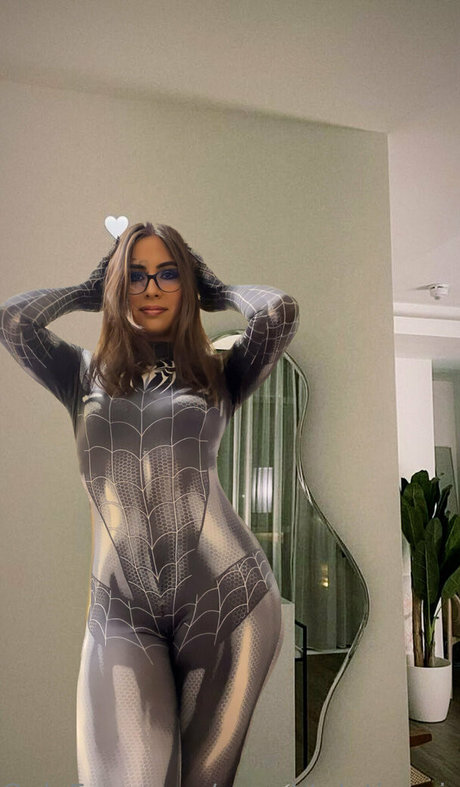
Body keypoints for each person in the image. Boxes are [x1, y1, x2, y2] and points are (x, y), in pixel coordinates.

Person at [0, 222, 299, 787]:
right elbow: (13, 320)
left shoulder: (218, 371)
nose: (153, 288)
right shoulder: (80, 373)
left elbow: (279, 312)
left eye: (168, 274)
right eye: (136, 276)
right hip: (120, 610)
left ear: (187, 283)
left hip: (229, 599)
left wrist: (213, 288)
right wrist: (89, 289)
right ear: (118, 286)